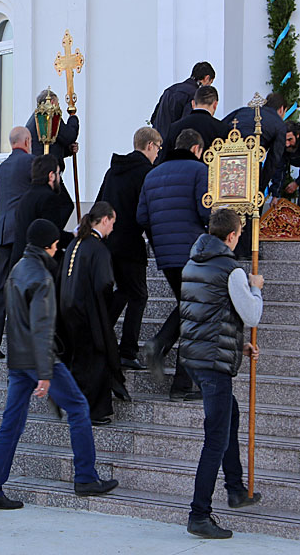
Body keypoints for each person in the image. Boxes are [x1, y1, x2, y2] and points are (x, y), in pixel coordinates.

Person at [0, 219, 119, 510]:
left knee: (11, 424)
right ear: (48, 246)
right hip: (38, 358)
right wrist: (44, 373)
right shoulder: (42, 278)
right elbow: (42, 328)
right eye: (56, 245)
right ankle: (85, 477)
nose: (58, 250)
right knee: (79, 407)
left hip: (17, 357)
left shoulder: (17, 269)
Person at [179, 208, 263, 539]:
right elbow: (251, 315)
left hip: (196, 358)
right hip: (212, 366)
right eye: (240, 233)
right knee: (215, 438)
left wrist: (236, 346)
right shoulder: (232, 271)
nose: (240, 238)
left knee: (231, 414)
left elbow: (204, 315)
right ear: (231, 236)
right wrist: (255, 286)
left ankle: (235, 488)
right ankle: (199, 514)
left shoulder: (192, 263)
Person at [138, 129, 210, 400]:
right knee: (194, 311)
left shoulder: (153, 174)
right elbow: (205, 211)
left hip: (166, 255)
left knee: (190, 309)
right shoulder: (198, 170)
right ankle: (161, 347)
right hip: (191, 251)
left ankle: (181, 382)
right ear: (195, 149)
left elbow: (141, 216)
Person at [95, 126, 161, 370]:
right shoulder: (147, 173)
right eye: (158, 148)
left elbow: (100, 202)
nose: (157, 154)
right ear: (150, 145)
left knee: (123, 291)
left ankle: (99, 336)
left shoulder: (114, 170)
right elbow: (148, 213)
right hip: (131, 243)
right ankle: (127, 350)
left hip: (108, 241)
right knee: (138, 295)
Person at [59, 202, 129, 426]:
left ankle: (77, 408)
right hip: (89, 313)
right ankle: (93, 411)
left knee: (80, 360)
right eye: (112, 223)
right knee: (95, 361)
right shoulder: (97, 248)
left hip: (70, 310)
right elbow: (104, 284)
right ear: (106, 219)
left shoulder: (76, 244)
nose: (113, 229)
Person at [0, 126, 35, 360]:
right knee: (22, 284)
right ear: (27, 141)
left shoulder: (1, 167)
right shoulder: (31, 162)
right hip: (20, 232)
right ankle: (20, 340)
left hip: (1, 231)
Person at [10, 154, 75, 267]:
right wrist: (74, 237)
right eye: (58, 174)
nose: (59, 179)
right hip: (38, 265)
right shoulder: (49, 198)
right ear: (51, 176)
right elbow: (52, 235)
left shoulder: (25, 197)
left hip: (20, 262)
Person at [223, 92, 288, 200]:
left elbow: (221, 127)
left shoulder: (243, 111)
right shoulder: (279, 124)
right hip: (251, 167)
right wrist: (261, 187)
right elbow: (273, 160)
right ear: (281, 109)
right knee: (251, 209)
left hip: (226, 163)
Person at [150, 62, 216, 158]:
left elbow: (153, 118)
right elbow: (186, 124)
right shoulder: (194, 95)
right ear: (206, 78)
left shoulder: (169, 90)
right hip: (174, 148)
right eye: (210, 83)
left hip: (157, 146)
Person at [164, 85, 229, 156]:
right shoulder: (222, 129)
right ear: (215, 104)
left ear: (193, 103)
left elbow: (166, 156)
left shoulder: (174, 127)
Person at [25, 89, 80, 170]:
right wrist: (73, 118)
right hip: (48, 168)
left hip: (37, 167)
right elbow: (68, 136)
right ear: (52, 102)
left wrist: (68, 150)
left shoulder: (35, 118)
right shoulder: (50, 115)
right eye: (58, 104)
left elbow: (52, 144)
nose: (58, 107)